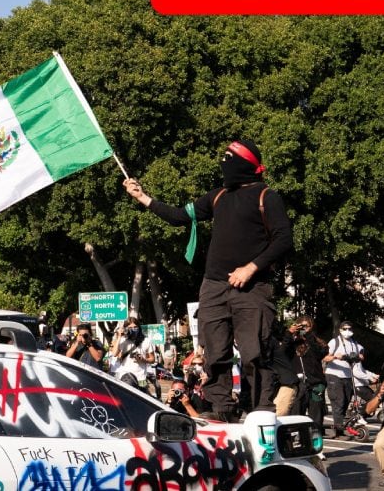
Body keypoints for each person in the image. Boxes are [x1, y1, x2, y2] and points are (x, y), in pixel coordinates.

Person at [124, 139, 293, 421]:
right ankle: (221, 410)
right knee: (215, 354)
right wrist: (143, 197)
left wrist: (251, 268)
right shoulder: (218, 196)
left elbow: (283, 239)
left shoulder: (267, 196)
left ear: (246, 164)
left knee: (254, 352)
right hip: (213, 286)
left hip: (252, 289)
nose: (223, 163)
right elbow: (180, 217)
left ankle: (261, 410)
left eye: (229, 157)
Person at [324, 320, 365, 439]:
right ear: (340, 330)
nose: (347, 331)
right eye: (345, 329)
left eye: (350, 329)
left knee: (346, 401)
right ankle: (338, 431)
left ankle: (341, 426)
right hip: (334, 374)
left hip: (348, 375)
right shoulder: (334, 342)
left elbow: (361, 355)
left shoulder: (354, 343)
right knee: (338, 401)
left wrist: (358, 357)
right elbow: (325, 357)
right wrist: (336, 357)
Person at [110, 316, 156, 395]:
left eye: (135, 327)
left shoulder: (146, 340)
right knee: (126, 398)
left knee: (142, 399)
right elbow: (114, 353)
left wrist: (143, 360)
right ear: (126, 328)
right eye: (130, 327)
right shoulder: (123, 340)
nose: (133, 329)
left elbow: (152, 359)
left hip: (141, 377)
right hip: (125, 376)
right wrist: (119, 336)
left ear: (139, 328)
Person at [272, 321, 304, 416]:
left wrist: (290, 333)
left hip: (287, 383)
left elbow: (282, 349)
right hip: (273, 384)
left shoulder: (278, 343)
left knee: (278, 414)